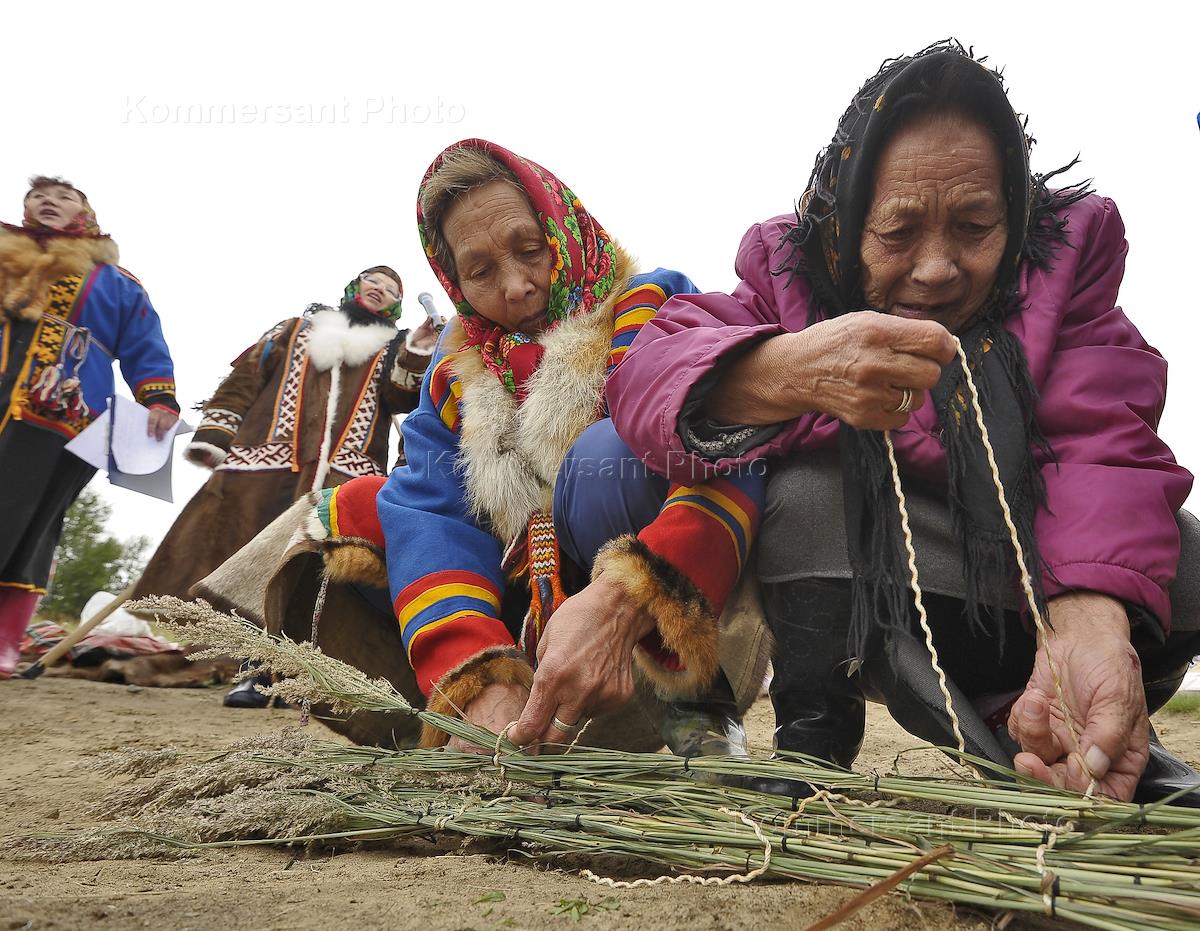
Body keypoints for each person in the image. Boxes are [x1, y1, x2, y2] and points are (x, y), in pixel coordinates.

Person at [606, 41, 1200, 802]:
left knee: (1178, 559)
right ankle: (816, 739)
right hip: (873, 587)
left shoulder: (1064, 264)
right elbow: (646, 374)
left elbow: (1104, 440)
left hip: (1023, 576)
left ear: (1015, 214)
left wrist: (1085, 619)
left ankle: (1071, 724)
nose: (936, 268)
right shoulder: (790, 273)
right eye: (897, 230)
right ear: (845, 221)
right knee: (806, 496)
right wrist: (789, 369)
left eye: (976, 224)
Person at [192, 140, 769, 754]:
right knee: (360, 506)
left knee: (607, 457)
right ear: (454, 281)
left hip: (660, 612)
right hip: (518, 595)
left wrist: (623, 601)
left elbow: (725, 450)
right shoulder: (456, 367)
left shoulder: (657, 306)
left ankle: (692, 715)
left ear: (564, 231)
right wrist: (474, 675)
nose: (517, 287)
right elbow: (431, 510)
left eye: (530, 250)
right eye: (481, 272)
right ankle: (478, 716)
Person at [130, 266, 435, 706]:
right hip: (263, 467)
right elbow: (245, 378)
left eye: (391, 290)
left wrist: (416, 348)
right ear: (354, 288)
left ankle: (289, 673)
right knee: (237, 559)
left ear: (395, 307)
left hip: (343, 476)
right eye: (373, 281)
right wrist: (215, 435)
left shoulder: (391, 348)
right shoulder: (295, 329)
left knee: (311, 573)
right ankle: (243, 664)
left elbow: (403, 398)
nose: (379, 290)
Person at [0, 177, 178, 678]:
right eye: (38, 196)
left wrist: (158, 396)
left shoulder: (115, 281)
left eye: (63, 196)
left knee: (35, 520)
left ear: (86, 211)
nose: (48, 201)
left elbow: (145, 342)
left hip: (64, 413)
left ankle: (6, 639)